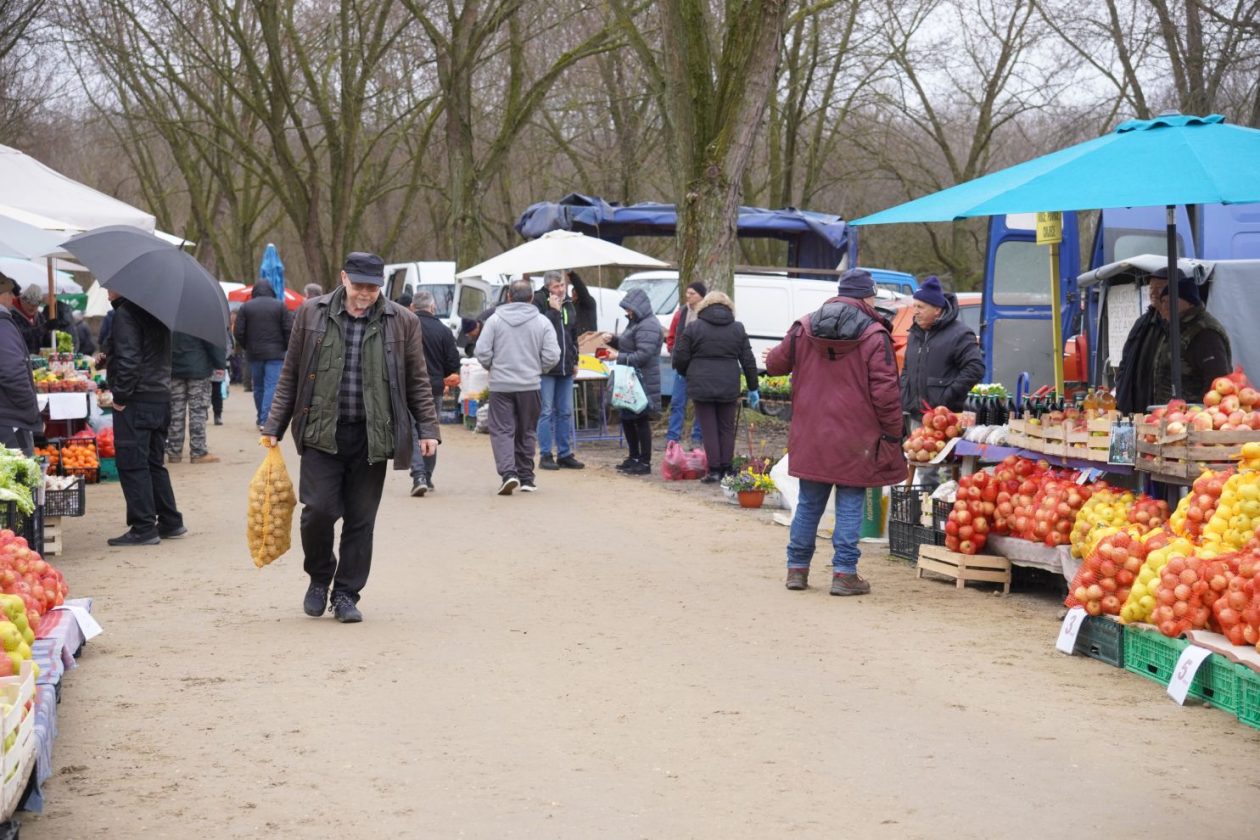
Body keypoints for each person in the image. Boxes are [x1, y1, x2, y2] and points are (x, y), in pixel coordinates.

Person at [263, 252, 439, 624]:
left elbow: (417, 380)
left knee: (361, 520)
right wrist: (273, 426)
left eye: (372, 288)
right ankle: (319, 578)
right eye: (358, 285)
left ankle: (345, 594)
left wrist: (429, 429)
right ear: (343, 278)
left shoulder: (402, 321)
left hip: (372, 436)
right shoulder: (312, 313)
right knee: (319, 513)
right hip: (321, 432)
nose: (364, 294)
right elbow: (291, 372)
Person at [765, 268, 905, 596]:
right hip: (857, 437)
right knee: (851, 501)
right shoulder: (874, 334)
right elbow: (886, 392)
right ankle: (844, 573)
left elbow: (774, 365)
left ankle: (796, 570)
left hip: (812, 431)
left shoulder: (804, 326)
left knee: (809, 503)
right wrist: (894, 432)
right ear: (867, 297)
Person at [100, 290, 186, 546]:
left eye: (110, 286)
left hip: (138, 398)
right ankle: (170, 521)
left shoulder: (126, 314)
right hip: (160, 395)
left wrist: (120, 396)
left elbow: (130, 359)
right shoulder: (157, 312)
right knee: (153, 462)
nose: (106, 291)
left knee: (132, 463)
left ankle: (143, 527)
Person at [475, 279, 560, 494]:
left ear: (509, 297)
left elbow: (482, 351)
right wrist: (538, 368)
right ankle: (526, 477)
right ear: (531, 297)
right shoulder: (542, 322)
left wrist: (492, 367)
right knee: (527, 430)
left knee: (502, 430)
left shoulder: (494, 321)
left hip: (501, 386)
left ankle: (508, 473)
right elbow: (553, 354)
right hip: (530, 385)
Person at [672, 290, 759, 482]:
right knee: (726, 427)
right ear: (729, 308)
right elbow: (748, 360)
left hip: (701, 382)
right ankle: (727, 468)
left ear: (705, 305)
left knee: (708, 427)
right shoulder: (737, 328)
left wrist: (684, 372)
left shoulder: (694, 327)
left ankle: (713, 470)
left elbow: (680, 356)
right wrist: (753, 387)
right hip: (728, 383)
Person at [900, 275, 985, 423]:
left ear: (937, 310)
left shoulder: (960, 334)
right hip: (916, 417)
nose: (916, 311)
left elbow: (975, 368)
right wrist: (904, 396)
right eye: (915, 306)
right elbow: (906, 370)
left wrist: (947, 396)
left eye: (921, 307)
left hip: (947, 419)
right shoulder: (914, 334)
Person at [602, 288, 664, 476]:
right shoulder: (636, 323)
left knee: (640, 420)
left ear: (638, 307)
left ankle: (644, 461)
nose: (627, 312)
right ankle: (633, 456)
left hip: (642, 380)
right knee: (627, 418)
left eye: (629, 309)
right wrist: (613, 340)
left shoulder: (649, 325)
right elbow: (629, 344)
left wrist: (618, 356)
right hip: (630, 379)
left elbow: (642, 355)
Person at [1147, 267, 1231, 406]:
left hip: (1194, 417)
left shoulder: (1205, 333)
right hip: (1171, 416)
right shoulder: (1173, 329)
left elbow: (1217, 380)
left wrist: (1202, 412)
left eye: (1172, 300)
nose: (1165, 305)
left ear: (1190, 302)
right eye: (1163, 301)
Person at [409, 289, 460, 496]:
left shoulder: (405, 327)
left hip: (408, 387)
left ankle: (418, 475)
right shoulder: (443, 330)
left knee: (412, 431)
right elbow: (452, 363)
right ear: (433, 307)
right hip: (434, 388)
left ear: (412, 307)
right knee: (429, 430)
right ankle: (427, 476)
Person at [533, 270, 584, 471]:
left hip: (566, 365)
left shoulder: (569, 303)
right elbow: (540, 329)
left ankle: (565, 453)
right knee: (545, 411)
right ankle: (546, 454)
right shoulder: (539, 302)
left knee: (565, 411)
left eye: (562, 285)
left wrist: (575, 359)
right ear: (547, 287)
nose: (561, 290)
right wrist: (553, 311)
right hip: (546, 367)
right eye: (556, 286)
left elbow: (573, 334)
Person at [234, 280, 293, 431]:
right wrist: (285, 348)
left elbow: (238, 332)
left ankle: (261, 416)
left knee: (258, 386)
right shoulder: (280, 306)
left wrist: (247, 346)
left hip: (254, 353)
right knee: (271, 386)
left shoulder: (246, 307)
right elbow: (289, 329)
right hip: (276, 353)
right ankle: (265, 420)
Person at [166, 331, 226, 464]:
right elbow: (212, 342)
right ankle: (198, 452)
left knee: (175, 412)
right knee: (197, 412)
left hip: (173, 368)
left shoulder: (169, 314)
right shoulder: (201, 315)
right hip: (198, 368)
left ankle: (174, 452)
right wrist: (220, 363)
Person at [0, 275, 39, 456]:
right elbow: (12, 373)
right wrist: (30, 409)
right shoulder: (3, 326)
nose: (12, 298)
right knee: (20, 479)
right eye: (9, 293)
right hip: (10, 418)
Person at [665, 281, 707, 447]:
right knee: (677, 402)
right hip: (682, 366)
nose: (688, 296)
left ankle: (697, 437)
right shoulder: (681, 312)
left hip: (700, 366)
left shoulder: (706, 313)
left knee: (700, 403)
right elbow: (672, 334)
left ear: (701, 296)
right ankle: (672, 437)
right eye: (687, 293)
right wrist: (672, 350)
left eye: (693, 294)